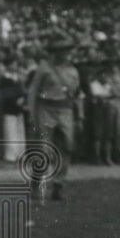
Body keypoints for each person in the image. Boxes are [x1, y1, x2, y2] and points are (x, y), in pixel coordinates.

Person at [27, 34, 84, 200]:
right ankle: (36, 184)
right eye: (60, 50)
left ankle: (59, 185)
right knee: (44, 150)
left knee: (66, 147)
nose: (64, 53)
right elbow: (33, 91)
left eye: (67, 50)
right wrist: (32, 113)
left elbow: (78, 95)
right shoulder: (44, 67)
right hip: (46, 108)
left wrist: (80, 116)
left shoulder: (73, 70)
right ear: (54, 52)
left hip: (66, 110)